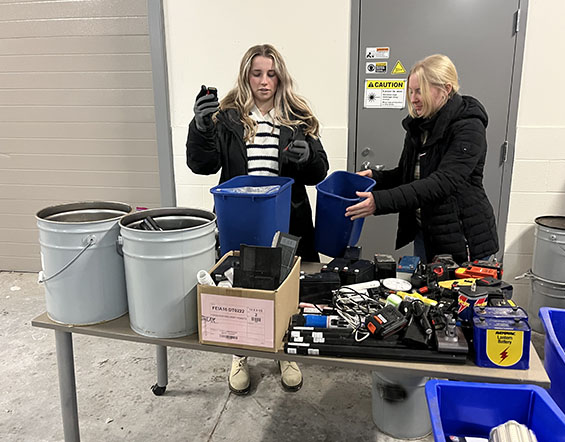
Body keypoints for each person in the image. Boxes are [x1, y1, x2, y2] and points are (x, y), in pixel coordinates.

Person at [186, 44, 329, 395]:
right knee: (241, 288)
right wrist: (201, 127)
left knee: (286, 289)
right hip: (242, 219)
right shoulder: (227, 117)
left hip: (287, 221)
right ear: (245, 76)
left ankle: (284, 353)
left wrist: (308, 156)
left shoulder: (297, 117)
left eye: (271, 73)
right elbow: (201, 165)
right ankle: (240, 352)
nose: (264, 82)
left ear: (280, 76)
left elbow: (319, 172)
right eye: (257, 73)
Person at [345, 54, 498, 264]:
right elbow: (408, 174)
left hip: (462, 236)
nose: (413, 98)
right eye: (411, 91)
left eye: (420, 91)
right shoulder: (419, 126)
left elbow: (442, 182)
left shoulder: (469, 126)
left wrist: (379, 202)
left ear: (446, 89)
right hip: (426, 232)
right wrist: (376, 177)